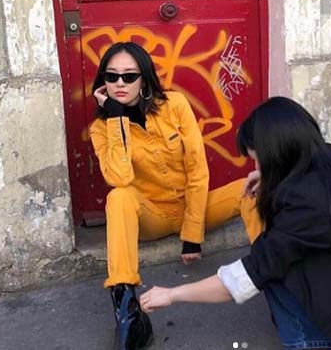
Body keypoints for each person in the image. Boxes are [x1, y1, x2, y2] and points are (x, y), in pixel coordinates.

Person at [139, 96, 331, 350]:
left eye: (258, 159)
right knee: (282, 252)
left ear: (277, 153)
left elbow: (248, 275)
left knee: (276, 262)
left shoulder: (309, 202)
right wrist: (268, 177)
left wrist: (172, 294)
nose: (256, 166)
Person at [90, 42, 262, 350]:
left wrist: (192, 234)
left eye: (129, 76)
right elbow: (120, 178)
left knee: (249, 191)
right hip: (152, 216)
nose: (119, 83)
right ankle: (128, 311)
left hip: (193, 207)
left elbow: (197, 168)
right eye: (111, 76)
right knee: (119, 196)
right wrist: (116, 119)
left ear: (144, 78)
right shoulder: (101, 129)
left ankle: (276, 275)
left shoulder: (175, 105)